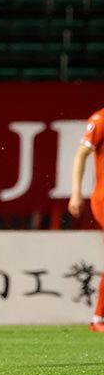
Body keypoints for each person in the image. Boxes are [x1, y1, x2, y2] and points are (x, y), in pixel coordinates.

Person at [68, 108, 104, 333]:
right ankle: (98, 318)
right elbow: (81, 154)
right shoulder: (100, 119)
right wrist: (76, 193)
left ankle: (98, 317)